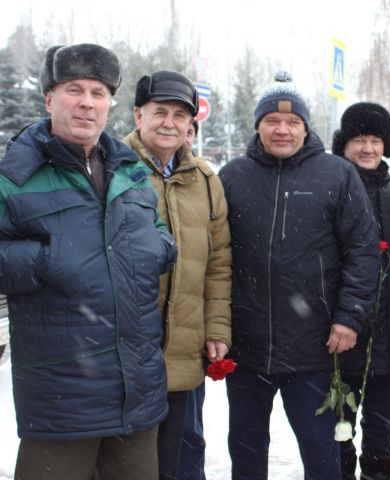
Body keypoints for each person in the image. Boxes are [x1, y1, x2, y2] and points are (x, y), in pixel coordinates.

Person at [0, 43, 176, 479]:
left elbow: (157, 232)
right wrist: (46, 259)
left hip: (135, 389)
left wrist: (158, 249)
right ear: (49, 100)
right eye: (73, 90)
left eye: (98, 93)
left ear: (109, 104)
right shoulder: (15, 174)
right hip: (62, 394)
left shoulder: (128, 169)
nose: (86, 102)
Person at [218, 71, 380, 480]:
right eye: (272, 120)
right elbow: (215, 256)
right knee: (246, 448)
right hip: (248, 344)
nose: (282, 129)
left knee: (320, 450)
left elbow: (362, 251)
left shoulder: (336, 175)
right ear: (258, 125)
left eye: (293, 122)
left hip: (314, 345)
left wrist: (349, 317)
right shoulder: (232, 177)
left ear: (306, 128)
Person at [124, 70, 231, 479]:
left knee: (185, 456)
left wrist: (217, 328)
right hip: (128, 350)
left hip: (185, 351)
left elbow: (219, 263)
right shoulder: (112, 168)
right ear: (138, 115)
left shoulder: (204, 181)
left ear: (191, 123)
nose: (170, 123)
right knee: (130, 460)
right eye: (160, 112)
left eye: (180, 115)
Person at [331, 102, 390, 480]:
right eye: (359, 140)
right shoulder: (331, 187)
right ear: (344, 145)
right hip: (342, 333)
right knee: (339, 424)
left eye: (375, 140)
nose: (367, 148)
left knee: (381, 425)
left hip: (388, 334)